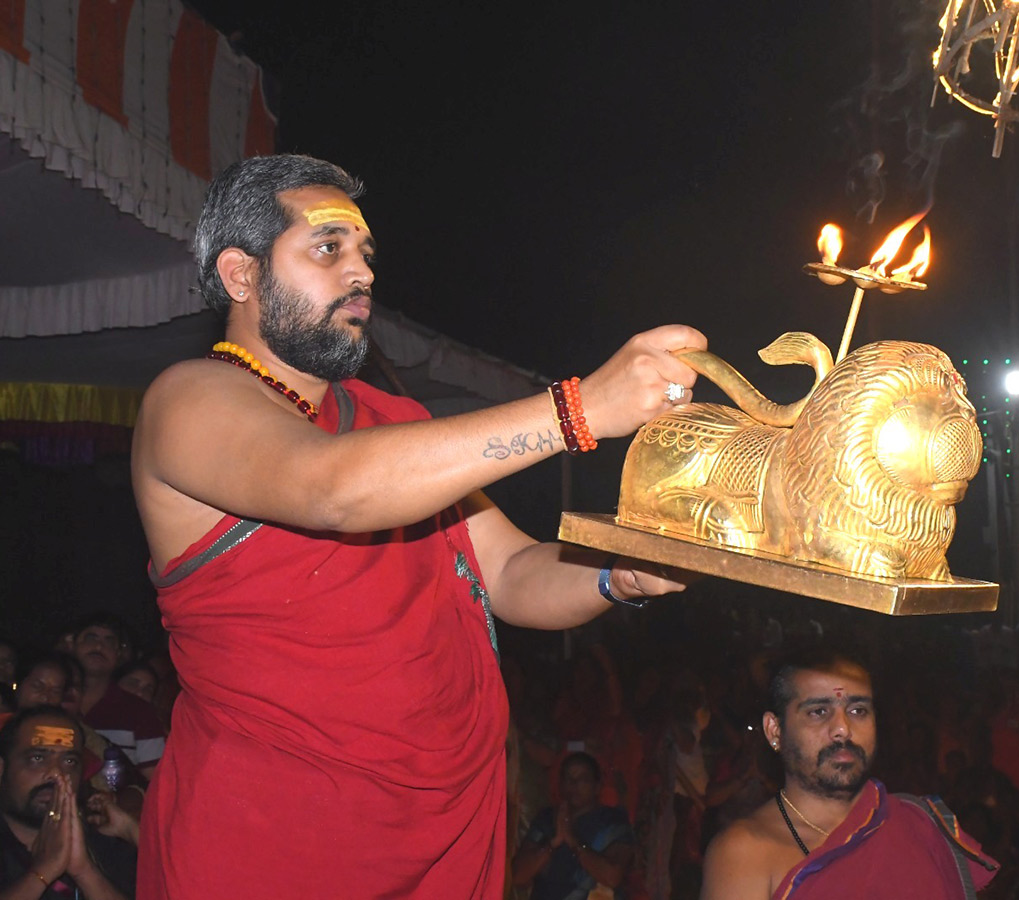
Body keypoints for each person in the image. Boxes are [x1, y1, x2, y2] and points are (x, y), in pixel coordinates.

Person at [130, 153, 706, 900]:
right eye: (329, 248)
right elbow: (333, 488)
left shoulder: (393, 424)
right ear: (241, 275)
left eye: (366, 253)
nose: (362, 273)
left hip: (444, 836)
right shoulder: (189, 400)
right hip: (273, 841)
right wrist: (580, 410)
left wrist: (614, 573)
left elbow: (510, 573)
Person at [700, 648, 998, 900]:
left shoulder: (919, 825)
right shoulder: (744, 853)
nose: (843, 728)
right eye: (818, 711)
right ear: (774, 731)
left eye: (858, 711)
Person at [0, 705, 136, 899]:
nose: (56, 773)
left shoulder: (103, 841)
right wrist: (43, 871)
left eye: (69, 761)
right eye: (37, 758)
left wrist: (83, 870)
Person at [512, 751, 635, 899]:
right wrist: (553, 843)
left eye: (583, 779)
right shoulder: (547, 819)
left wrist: (574, 842)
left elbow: (612, 877)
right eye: (568, 779)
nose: (574, 785)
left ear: (597, 787)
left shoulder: (613, 821)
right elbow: (518, 876)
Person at [71, 615, 165, 779]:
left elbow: (156, 781)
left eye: (109, 641)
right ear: (72, 645)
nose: (99, 646)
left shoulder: (141, 712)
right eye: (90, 638)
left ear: (119, 654)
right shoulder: (52, 700)